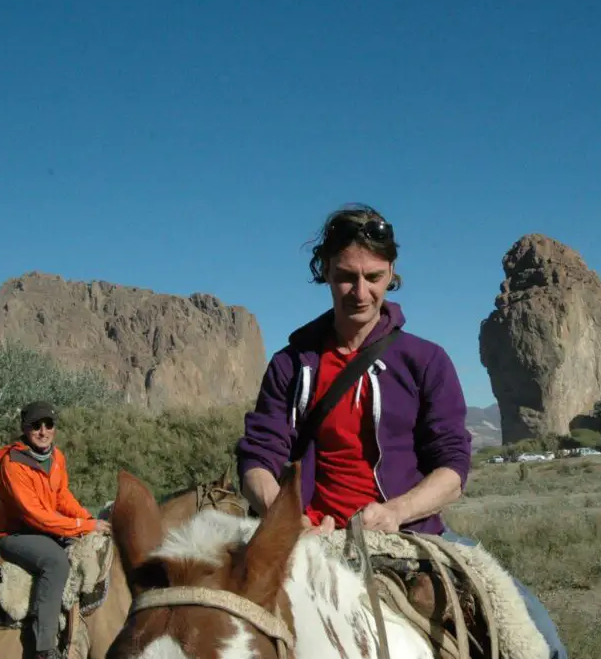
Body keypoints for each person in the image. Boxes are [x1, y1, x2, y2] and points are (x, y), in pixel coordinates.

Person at [235, 204, 568, 659]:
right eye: (346, 276)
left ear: (391, 273)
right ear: (325, 272)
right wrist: (285, 519)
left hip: (411, 535)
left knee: (534, 630)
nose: (359, 291)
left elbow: (452, 465)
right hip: (307, 538)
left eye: (372, 276)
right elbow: (258, 457)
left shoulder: (424, 361)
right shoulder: (292, 364)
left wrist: (396, 512)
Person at [0, 401, 110, 659]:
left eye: (49, 424)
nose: (43, 431)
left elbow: (62, 498)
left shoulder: (56, 457)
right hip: (18, 535)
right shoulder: (13, 464)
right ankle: (44, 646)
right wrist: (84, 526)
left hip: (48, 529)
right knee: (56, 562)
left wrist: (88, 519)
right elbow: (36, 516)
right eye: (36, 426)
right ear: (25, 429)